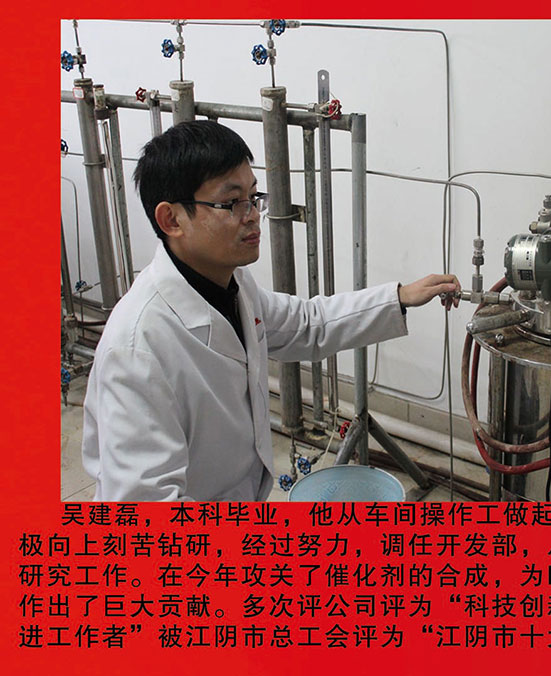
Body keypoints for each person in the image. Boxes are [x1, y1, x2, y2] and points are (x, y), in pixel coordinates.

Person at [81, 120, 460, 502]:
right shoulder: (137, 349)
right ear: (172, 220)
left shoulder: (233, 284)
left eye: (253, 197)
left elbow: (307, 324)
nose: (252, 215)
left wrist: (400, 297)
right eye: (231, 203)